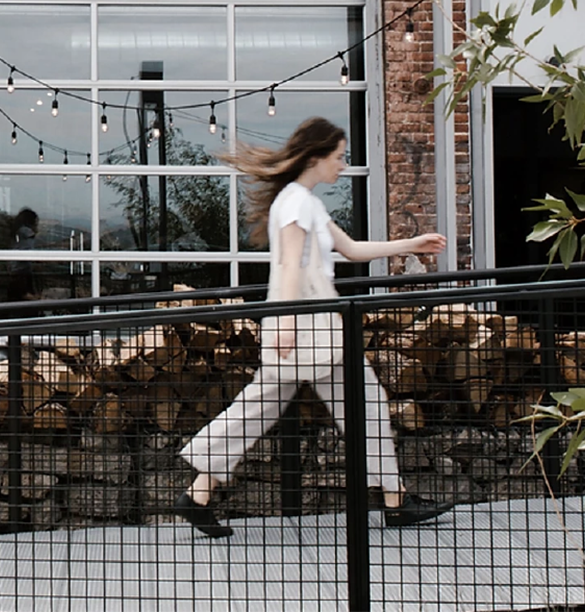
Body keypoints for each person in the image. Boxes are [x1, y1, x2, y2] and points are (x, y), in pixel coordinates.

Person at [173, 116, 452, 538]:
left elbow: (352, 249)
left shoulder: (306, 202)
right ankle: (395, 501)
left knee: (263, 409)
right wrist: (285, 322)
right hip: (307, 326)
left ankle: (197, 495)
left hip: (308, 325)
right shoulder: (296, 203)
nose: (343, 165)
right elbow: (289, 265)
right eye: (338, 157)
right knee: (361, 405)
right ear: (315, 157)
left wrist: (410, 244)